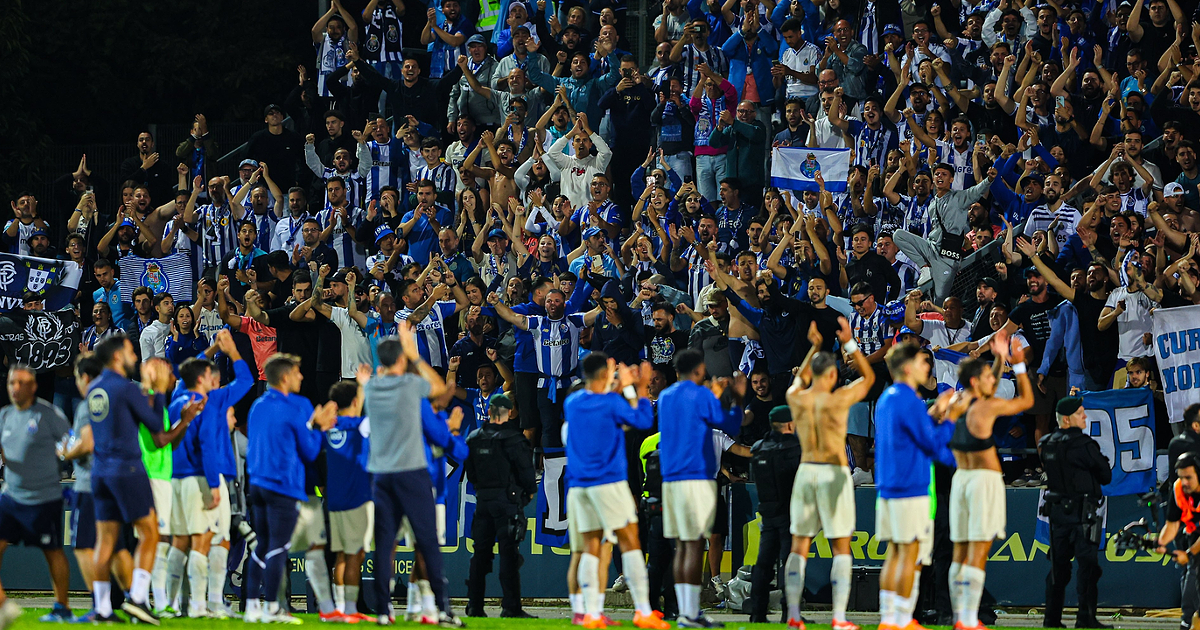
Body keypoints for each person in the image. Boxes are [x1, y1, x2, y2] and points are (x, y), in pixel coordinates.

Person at [86, 333, 200, 624]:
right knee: (151, 533)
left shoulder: (94, 388)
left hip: (100, 472)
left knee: (105, 542)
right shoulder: (126, 388)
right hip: (127, 469)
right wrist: (160, 391)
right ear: (116, 356)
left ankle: (102, 609)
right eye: (129, 351)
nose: (134, 356)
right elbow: (157, 430)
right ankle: (137, 598)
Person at [359, 325, 464, 627]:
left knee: (385, 544)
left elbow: (367, 384)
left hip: (381, 477)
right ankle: (442, 610)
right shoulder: (408, 385)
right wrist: (415, 356)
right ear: (402, 359)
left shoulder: (371, 388)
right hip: (411, 473)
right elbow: (440, 389)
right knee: (427, 541)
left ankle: (382, 611)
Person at [563, 352, 671, 630]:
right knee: (630, 541)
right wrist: (639, 388)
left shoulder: (572, 403)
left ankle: (593, 614)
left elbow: (604, 403)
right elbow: (644, 420)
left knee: (590, 547)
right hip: (607, 483)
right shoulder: (611, 402)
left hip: (579, 488)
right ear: (603, 375)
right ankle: (644, 611)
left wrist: (617, 386)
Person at [784, 319, 873, 630]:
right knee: (840, 546)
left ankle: (794, 615)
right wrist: (849, 342)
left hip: (806, 471)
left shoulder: (797, 398)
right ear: (833, 374)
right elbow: (869, 376)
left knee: (799, 545)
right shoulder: (839, 399)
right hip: (834, 472)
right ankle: (838, 618)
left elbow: (800, 380)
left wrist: (814, 347)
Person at [241, 354, 338, 623]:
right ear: (285, 378)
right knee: (278, 548)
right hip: (282, 486)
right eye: (297, 373)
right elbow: (309, 451)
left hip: (257, 485)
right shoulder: (299, 405)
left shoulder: (257, 405)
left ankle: (250, 606)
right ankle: (272, 607)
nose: (302, 377)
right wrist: (318, 427)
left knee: (262, 547)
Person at [946, 336, 1033, 630]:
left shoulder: (954, 401)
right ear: (975, 381)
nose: (991, 381)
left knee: (960, 550)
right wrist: (1018, 365)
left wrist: (996, 360)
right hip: (984, 481)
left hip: (961, 480)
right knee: (979, 551)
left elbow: (987, 386)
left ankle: (960, 615)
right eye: (985, 377)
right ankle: (970, 618)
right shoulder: (987, 407)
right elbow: (1027, 401)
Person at [164, 330, 251, 619]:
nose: (217, 378)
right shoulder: (211, 401)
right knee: (210, 540)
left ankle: (173, 603)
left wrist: (213, 347)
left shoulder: (178, 396)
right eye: (212, 375)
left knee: (183, 540)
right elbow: (247, 381)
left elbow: (190, 372)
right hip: (206, 477)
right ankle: (206, 603)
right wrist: (232, 351)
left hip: (178, 478)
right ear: (203, 379)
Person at [657, 348, 745, 628]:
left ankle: (684, 611)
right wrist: (737, 396)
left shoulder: (666, 397)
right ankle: (691, 614)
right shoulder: (701, 394)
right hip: (696, 477)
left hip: (670, 479)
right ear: (698, 370)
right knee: (694, 545)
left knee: (682, 546)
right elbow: (731, 423)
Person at [873, 342, 957, 630]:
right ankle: (903, 619)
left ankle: (889, 618)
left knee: (895, 554)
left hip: (890, 487)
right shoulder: (908, 399)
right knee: (909, 555)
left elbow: (912, 437)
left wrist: (933, 416)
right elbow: (932, 444)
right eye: (922, 362)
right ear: (908, 368)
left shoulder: (887, 398)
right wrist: (950, 419)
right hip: (910, 488)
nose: (927, 367)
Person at [0, 366, 73, 622]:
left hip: (43, 497)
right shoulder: (5, 415)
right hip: (10, 496)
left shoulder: (48, 413)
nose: (15, 388)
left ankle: (62, 607)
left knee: (52, 551)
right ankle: (3, 606)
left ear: (33, 386)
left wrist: (63, 454)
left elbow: (71, 441)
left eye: (21, 383)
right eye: (12, 383)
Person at [1039, 396, 1113, 630]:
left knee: (1058, 568)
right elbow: (1105, 475)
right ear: (1068, 419)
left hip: (1057, 515)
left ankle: (1051, 619)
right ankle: (1086, 618)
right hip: (1083, 513)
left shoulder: (1047, 443)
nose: (1085, 416)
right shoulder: (1084, 445)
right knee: (1088, 567)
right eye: (1081, 412)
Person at [464, 392, 537, 618]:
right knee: (508, 554)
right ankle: (510, 607)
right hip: (507, 503)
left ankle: (475, 606)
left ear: (489, 412)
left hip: (483, 502)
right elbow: (527, 473)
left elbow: (471, 474)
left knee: (480, 554)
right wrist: (527, 494)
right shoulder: (514, 440)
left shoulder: (474, 439)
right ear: (507, 413)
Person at [323, 381, 376, 622]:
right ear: (355, 402)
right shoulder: (361, 426)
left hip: (333, 500)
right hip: (357, 498)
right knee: (355, 555)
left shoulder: (326, 428)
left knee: (342, 555)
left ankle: (341, 608)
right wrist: (365, 388)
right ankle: (351, 609)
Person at [746, 405, 800, 624]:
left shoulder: (758, 448)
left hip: (767, 513)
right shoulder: (795, 448)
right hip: (789, 513)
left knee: (763, 563)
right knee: (790, 564)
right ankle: (790, 613)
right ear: (789, 424)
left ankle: (757, 612)